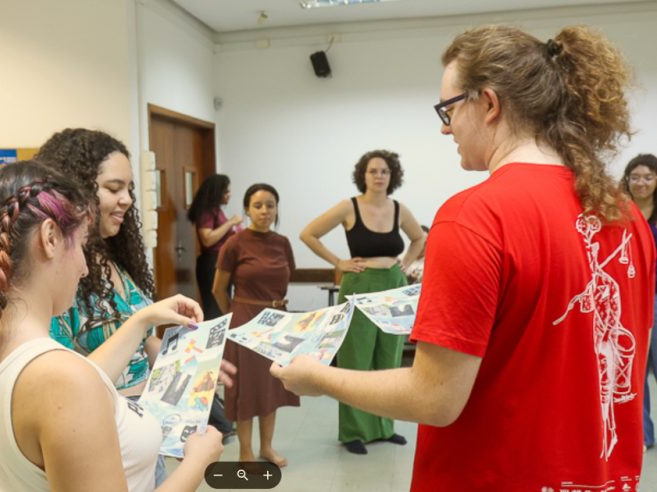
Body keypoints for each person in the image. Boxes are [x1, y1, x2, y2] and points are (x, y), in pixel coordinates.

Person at [272, 25, 655, 489]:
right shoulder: (625, 215)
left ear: (489, 104)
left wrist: (320, 378)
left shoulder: (474, 216)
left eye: (448, 109)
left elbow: (435, 398)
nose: (444, 127)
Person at [0, 161, 223, 491]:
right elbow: (72, 385)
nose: (83, 268)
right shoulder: (63, 379)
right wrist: (197, 462)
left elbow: (79, 383)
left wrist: (141, 320)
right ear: (50, 237)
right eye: (80, 244)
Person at [35, 129, 235, 483]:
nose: (127, 199)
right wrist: (142, 320)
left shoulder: (113, 260)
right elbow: (66, 387)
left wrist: (188, 366)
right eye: (114, 189)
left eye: (129, 189)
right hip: (104, 441)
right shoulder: (57, 277)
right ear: (76, 191)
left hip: (144, 429)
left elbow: (141, 345)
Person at [299, 150, 426, 454]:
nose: (379, 176)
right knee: (356, 358)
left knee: (389, 357)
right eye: (373, 171)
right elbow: (309, 234)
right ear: (363, 175)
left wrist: (406, 263)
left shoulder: (398, 209)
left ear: (392, 176)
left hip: (393, 286)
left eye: (384, 171)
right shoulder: (349, 207)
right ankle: (354, 431)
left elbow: (419, 238)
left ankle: (384, 427)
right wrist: (337, 262)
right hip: (360, 285)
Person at [212, 183, 298, 467]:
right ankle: (245, 451)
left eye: (270, 205)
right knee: (246, 387)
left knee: (273, 385)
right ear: (247, 209)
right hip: (244, 320)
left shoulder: (282, 242)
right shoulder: (234, 243)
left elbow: (285, 279)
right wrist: (235, 320)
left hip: (278, 320)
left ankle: (268, 448)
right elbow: (218, 289)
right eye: (258, 205)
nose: (264, 211)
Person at [621, 153, 657, 451]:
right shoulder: (620, 212)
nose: (641, 183)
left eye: (648, 177)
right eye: (636, 177)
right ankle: (642, 435)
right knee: (636, 372)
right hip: (631, 300)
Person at [187, 173, 242, 320]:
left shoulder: (216, 210)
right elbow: (208, 239)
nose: (230, 194)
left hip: (220, 262)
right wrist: (230, 223)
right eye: (227, 191)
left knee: (222, 308)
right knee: (214, 310)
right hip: (211, 263)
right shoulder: (207, 211)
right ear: (218, 192)